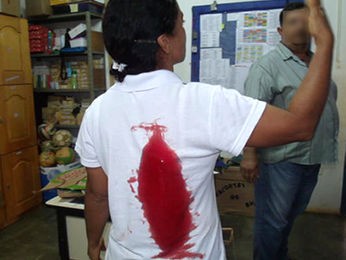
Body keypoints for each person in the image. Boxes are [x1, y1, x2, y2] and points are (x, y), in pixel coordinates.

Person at [75, 0, 334, 259]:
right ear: (165, 42)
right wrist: (324, 43)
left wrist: (93, 241)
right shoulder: (203, 103)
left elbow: (98, 194)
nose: (185, 30)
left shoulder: (97, 111)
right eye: (181, 22)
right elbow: (301, 126)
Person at [241, 2, 339, 260]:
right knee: (273, 222)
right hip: (282, 160)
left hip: (312, 156)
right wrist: (250, 156)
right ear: (280, 30)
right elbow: (252, 113)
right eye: (293, 22)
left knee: (289, 218)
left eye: (305, 22)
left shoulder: (318, 63)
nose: (300, 28)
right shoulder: (267, 66)